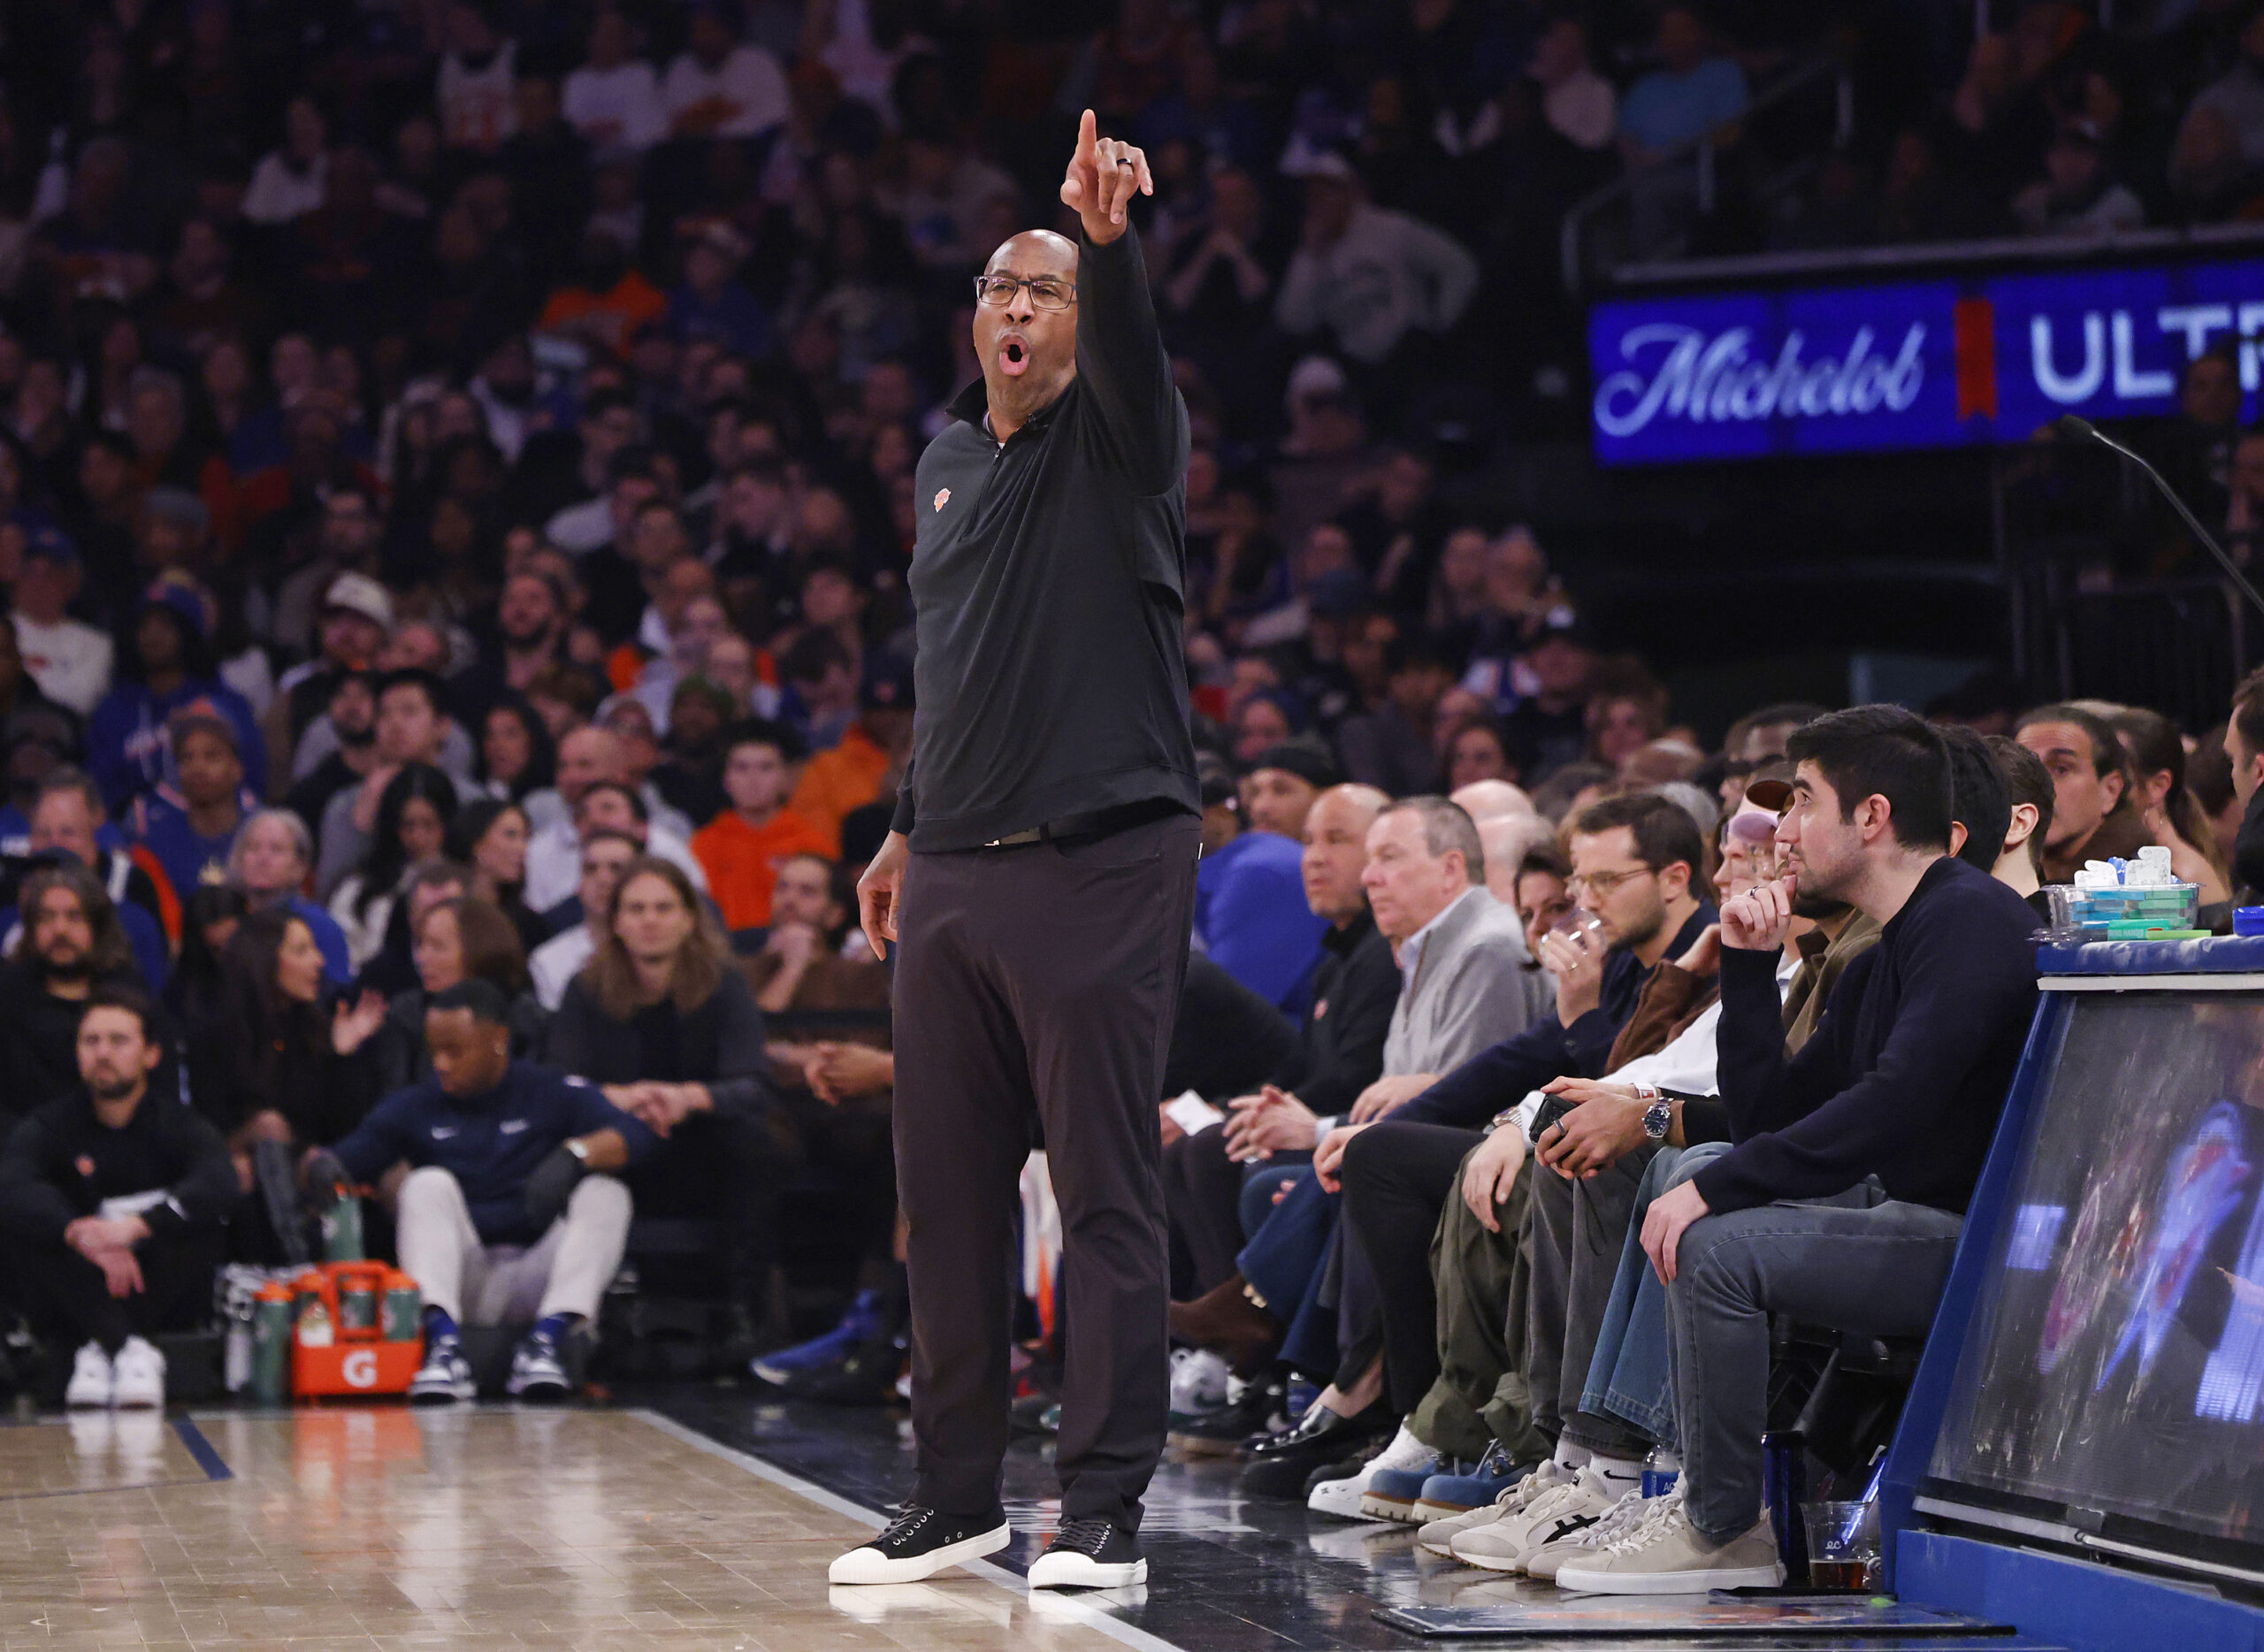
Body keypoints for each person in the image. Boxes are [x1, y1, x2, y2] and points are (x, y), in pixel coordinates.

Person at [833, 113, 1203, 1593]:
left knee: (1102, 1192)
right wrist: (904, 818)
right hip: (953, 866)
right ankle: (955, 1497)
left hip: (1100, 857)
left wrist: (1108, 248)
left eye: (1045, 291)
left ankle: (1104, 1506)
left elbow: (1145, 392)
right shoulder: (943, 459)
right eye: (1000, 285)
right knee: (945, 1196)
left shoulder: (1117, 442)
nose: (1017, 306)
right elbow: (958, 667)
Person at [1557, 707, 2040, 1594]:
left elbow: (1894, 1102)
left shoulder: (1970, 917)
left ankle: (1721, 1527)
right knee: (1703, 1203)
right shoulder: (1885, 954)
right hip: (1914, 1219)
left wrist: (1716, 1189)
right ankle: (1686, 1498)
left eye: (1804, 801)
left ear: (1872, 816)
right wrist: (1746, 968)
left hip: (1980, 1243)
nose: (1781, 832)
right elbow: (1769, 1118)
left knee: (1713, 1243)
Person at [310, 979, 659, 1403]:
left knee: (607, 1192)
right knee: (424, 1184)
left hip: (539, 1274)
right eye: (434, 1051)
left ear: (498, 1041)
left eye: (455, 1051)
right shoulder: (417, 1105)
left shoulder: (548, 1091)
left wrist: (576, 1154)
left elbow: (637, 1136)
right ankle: (443, 1348)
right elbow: (342, 1160)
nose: (441, 1064)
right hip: (465, 1277)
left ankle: (547, 1343)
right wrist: (321, 1170)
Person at [545, 857, 783, 1363]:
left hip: (701, 1140)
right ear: (616, 921)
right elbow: (561, 1085)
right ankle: (586, 1319)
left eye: (663, 908)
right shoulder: (584, 989)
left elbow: (751, 1084)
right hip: (620, 1141)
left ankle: (742, 1311)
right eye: (636, 909)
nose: (650, 920)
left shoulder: (725, 984)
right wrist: (627, 1097)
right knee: (568, 1156)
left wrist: (686, 1098)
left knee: (754, 1146)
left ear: (689, 918)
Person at [0, 989, 234, 1410]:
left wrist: (137, 1227)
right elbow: (14, 1184)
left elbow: (219, 1181)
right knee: (29, 1226)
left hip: (155, 1285)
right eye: (91, 1041)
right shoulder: (51, 1124)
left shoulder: (179, 1125)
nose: (102, 1053)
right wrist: (76, 1232)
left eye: (118, 1040)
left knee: (204, 1221)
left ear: (151, 1055)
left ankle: (105, 1347)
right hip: (76, 1282)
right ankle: (126, 1348)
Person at [187, 906, 386, 1249]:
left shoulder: (312, 1027)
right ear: (264, 960)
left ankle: (343, 1266)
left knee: (323, 1165)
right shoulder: (217, 1030)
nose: (319, 962)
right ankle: (296, 1254)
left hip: (298, 1159)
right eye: (301, 950)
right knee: (269, 1127)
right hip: (230, 1152)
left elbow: (342, 1127)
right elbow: (206, 1122)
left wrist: (342, 1054)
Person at [0, 861, 181, 1123]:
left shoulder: (134, 999)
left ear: (98, 926)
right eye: (46, 918)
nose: (60, 930)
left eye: (74, 917)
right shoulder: (7, 997)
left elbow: (165, 1101)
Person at [521, 724, 707, 911]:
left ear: (619, 771)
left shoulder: (666, 849)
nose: (571, 776)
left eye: (584, 765)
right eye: (563, 766)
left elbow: (698, 911)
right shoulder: (540, 849)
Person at [377, 894, 547, 1093]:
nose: (422, 958)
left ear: (479, 950)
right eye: (421, 944)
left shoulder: (525, 1017)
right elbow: (393, 1095)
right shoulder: (407, 1014)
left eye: (437, 947)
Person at [692, 721, 834, 932]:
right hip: (723, 947)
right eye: (741, 768)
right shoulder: (702, 845)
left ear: (786, 777)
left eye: (766, 767)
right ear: (725, 779)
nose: (753, 779)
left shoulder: (813, 843)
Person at [326, 764, 460, 970]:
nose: (418, 837)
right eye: (408, 825)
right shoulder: (359, 887)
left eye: (429, 824)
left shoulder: (466, 882)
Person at [2014, 703, 2156, 884]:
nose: (2038, 785)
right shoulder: (1999, 874)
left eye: (2061, 769)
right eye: (2026, 769)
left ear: (2110, 790)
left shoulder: (2143, 884)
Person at [125, 711, 251, 907]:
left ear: (237, 768)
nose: (198, 768)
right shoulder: (156, 838)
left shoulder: (260, 832)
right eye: (187, 758)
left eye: (211, 757)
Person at [226, 808, 354, 986]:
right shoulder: (226, 919)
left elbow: (336, 992)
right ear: (238, 859)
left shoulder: (320, 927)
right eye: (253, 847)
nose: (262, 859)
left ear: (299, 867)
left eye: (276, 850)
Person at [529, 830, 640, 1009]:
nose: (603, 879)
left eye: (616, 868)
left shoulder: (661, 950)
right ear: (579, 884)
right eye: (590, 869)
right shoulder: (548, 961)